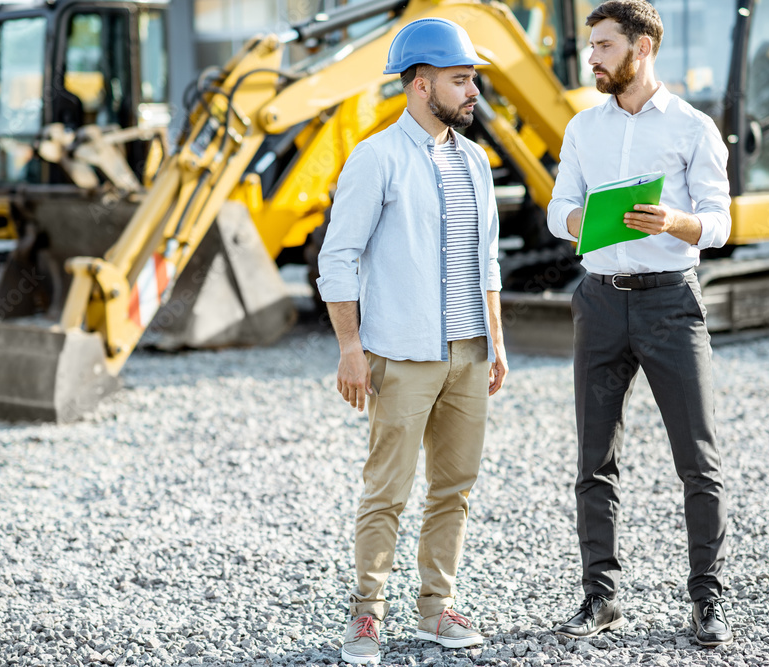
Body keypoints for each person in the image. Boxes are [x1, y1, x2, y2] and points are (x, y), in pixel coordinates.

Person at [316, 17, 508, 665]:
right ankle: (366, 615)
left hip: (469, 352)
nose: (472, 89)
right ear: (421, 85)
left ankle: (436, 607)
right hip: (401, 354)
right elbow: (337, 259)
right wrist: (350, 347)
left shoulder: (476, 160)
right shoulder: (376, 158)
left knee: (454, 485)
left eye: (473, 78)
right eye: (461, 79)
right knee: (387, 490)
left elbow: (488, 262)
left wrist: (497, 341)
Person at [546, 0, 733, 647]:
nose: (592, 56)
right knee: (593, 460)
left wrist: (673, 222)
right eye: (592, 45)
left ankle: (707, 601)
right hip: (598, 301)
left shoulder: (692, 127)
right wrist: (584, 222)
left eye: (602, 45)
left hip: (668, 304)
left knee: (698, 459)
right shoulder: (582, 128)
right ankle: (600, 598)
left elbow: (720, 220)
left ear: (641, 47)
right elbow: (558, 207)